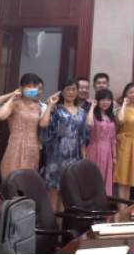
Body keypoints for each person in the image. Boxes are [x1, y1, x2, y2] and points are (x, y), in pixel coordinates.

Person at [40, 80, 89, 211]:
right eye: (68, 89)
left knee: (66, 191)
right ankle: (51, 221)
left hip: (74, 154)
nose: (71, 92)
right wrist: (51, 103)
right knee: (54, 189)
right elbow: (44, 126)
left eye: (74, 89)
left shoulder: (81, 112)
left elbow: (82, 136)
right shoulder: (55, 109)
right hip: (56, 152)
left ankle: (61, 222)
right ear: (62, 92)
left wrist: (84, 156)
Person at [0, 74, 53, 179]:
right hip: (16, 145)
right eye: (29, 86)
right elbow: (0, 116)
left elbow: (43, 124)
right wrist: (12, 97)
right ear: (21, 87)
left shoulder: (38, 107)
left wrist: (50, 105)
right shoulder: (15, 104)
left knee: (28, 179)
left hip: (33, 147)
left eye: (35, 87)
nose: (32, 89)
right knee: (12, 176)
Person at [86, 89, 117, 197]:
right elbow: (89, 124)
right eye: (103, 99)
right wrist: (92, 107)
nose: (106, 102)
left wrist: (114, 156)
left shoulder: (111, 117)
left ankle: (101, 203)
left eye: (108, 100)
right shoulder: (92, 115)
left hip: (108, 153)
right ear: (97, 100)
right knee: (92, 178)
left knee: (105, 180)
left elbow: (113, 139)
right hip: (94, 150)